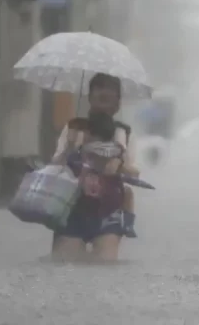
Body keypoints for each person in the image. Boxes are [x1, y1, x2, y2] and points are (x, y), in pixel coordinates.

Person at [51, 73, 138, 261]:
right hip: (72, 210)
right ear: (89, 98)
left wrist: (120, 164)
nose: (105, 100)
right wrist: (68, 149)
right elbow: (55, 166)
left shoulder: (122, 133)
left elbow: (134, 172)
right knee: (64, 265)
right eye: (99, 94)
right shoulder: (73, 128)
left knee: (105, 264)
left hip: (108, 212)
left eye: (110, 96)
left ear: (118, 104)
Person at [56, 111, 139, 231]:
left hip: (91, 205)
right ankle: (128, 225)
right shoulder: (116, 151)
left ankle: (126, 224)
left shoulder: (85, 149)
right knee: (128, 192)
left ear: (88, 133)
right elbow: (133, 174)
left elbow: (59, 165)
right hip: (99, 206)